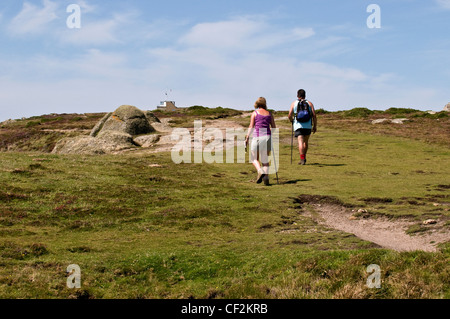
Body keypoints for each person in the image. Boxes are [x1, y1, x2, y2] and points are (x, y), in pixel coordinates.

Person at [245, 97, 276, 185]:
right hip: (267, 137)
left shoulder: (255, 113)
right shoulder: (269, 114)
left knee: (254, 158)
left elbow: (251, 126)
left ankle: (260, 171)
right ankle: (266, 179)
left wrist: (247, 137)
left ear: (257, 104)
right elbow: (273, 127)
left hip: (257, 137)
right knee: (265, 160)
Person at [288, 89, 317, 165]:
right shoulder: (310, 103)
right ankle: (304, 157)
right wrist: (315, 126)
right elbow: (314, 115)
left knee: (300, 142)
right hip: (308, 126)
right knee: (305, 142)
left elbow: (289, 115)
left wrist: (292, 120)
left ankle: (302, 159)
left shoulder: (294, 103)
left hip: (298, 125)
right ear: (305, 95)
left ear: (297, 95)